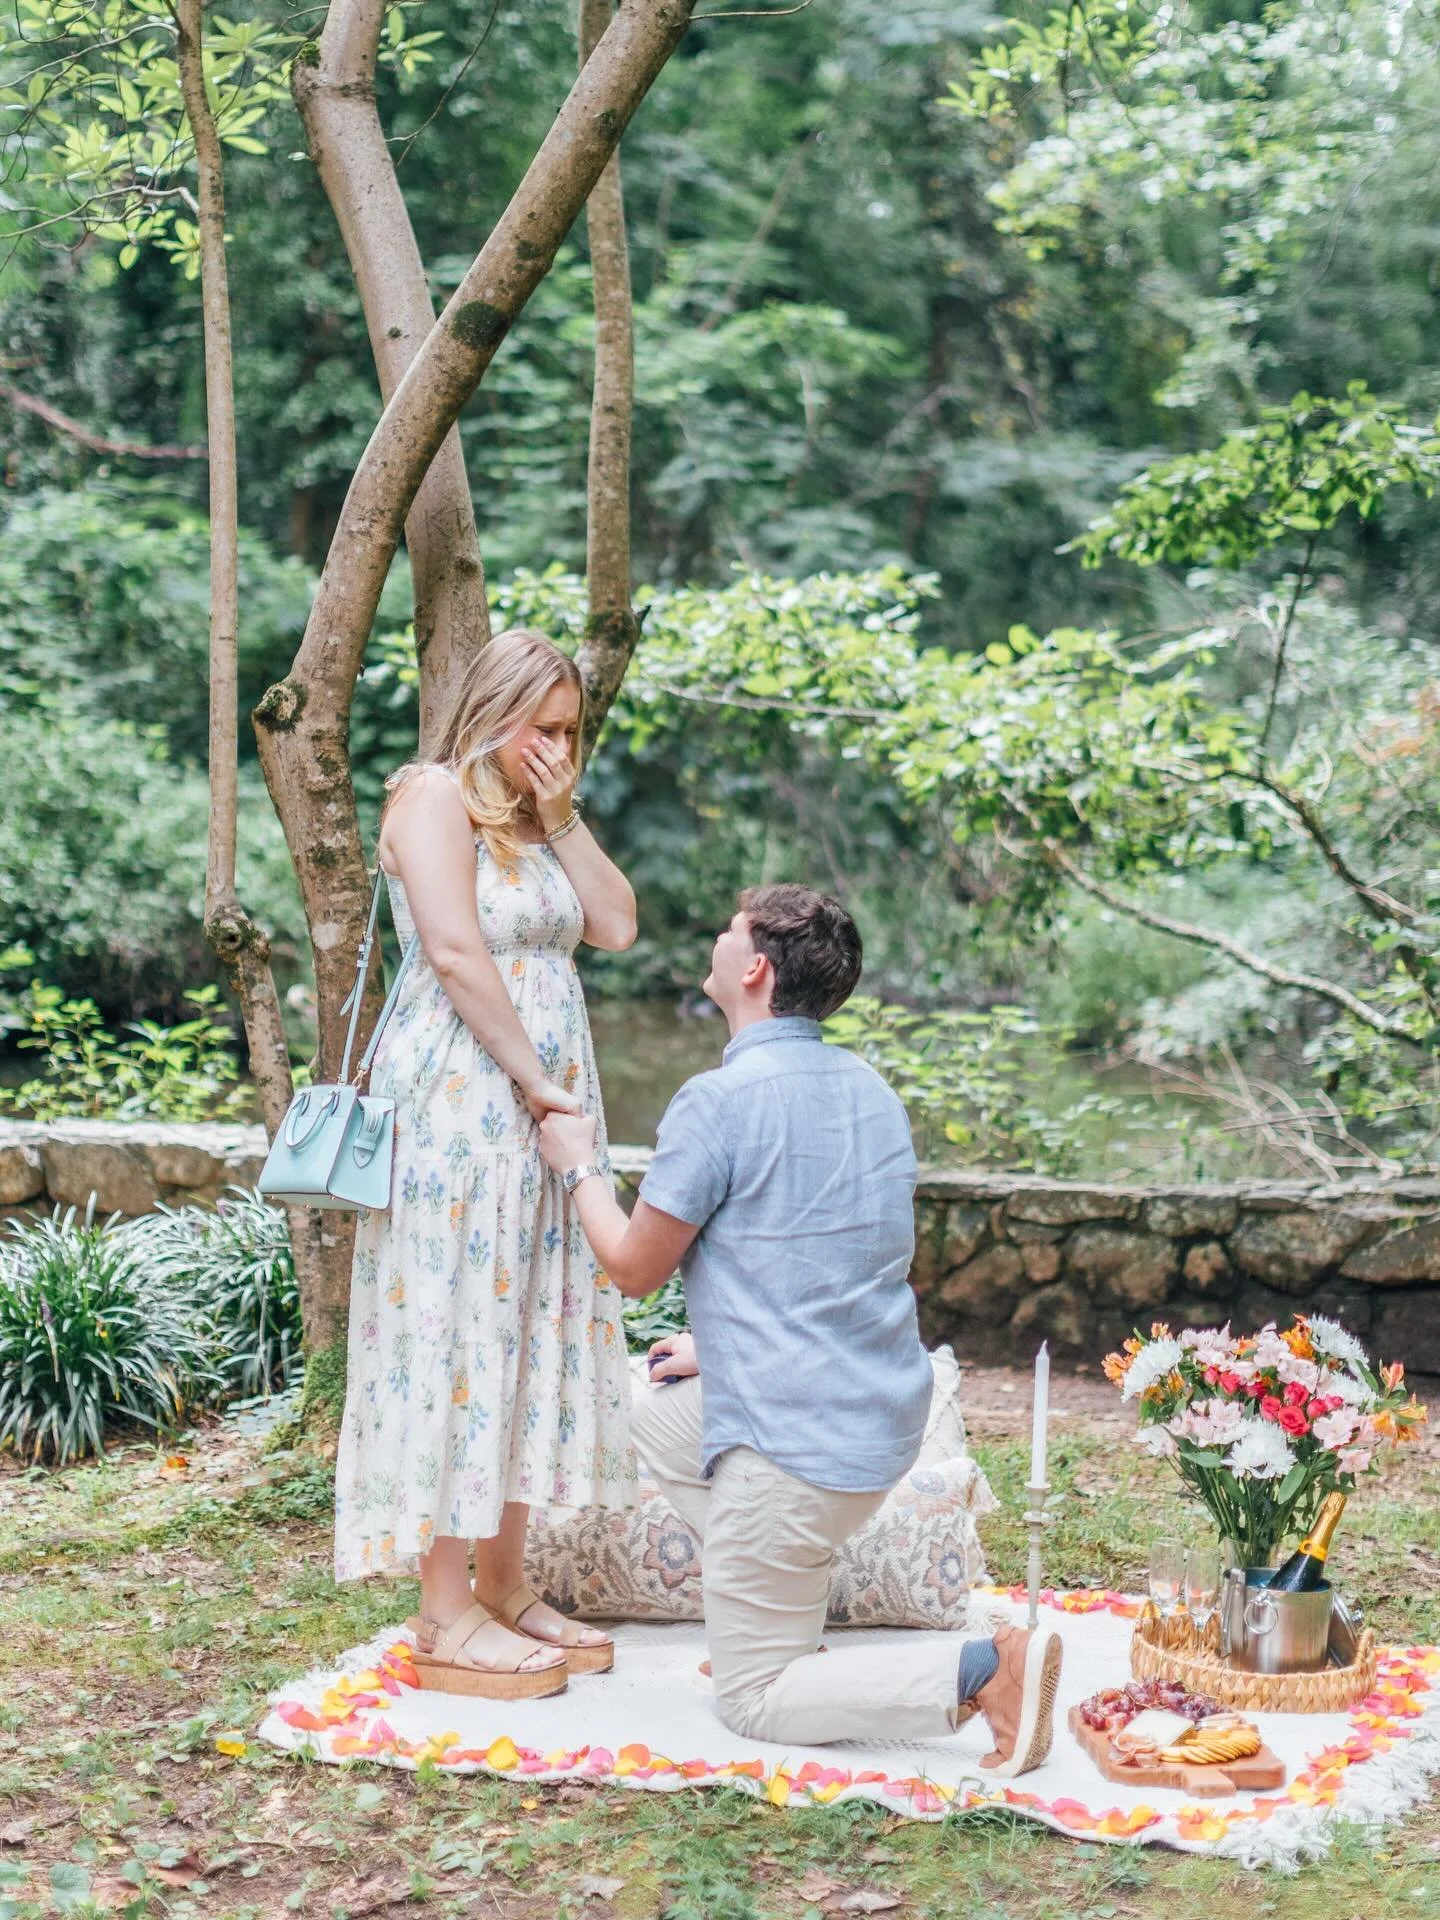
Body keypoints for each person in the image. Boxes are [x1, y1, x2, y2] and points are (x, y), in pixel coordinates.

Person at [538, 884, 1063, 1773]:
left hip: (796, 1453)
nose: (715, 934)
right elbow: (836, 1259)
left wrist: (579, 1163)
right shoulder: (870, 1091)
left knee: (752, 1702)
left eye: (730, 929)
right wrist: (723, 1345)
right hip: (878, 1426)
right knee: (659, 1415)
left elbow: (631, 1269)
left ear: (755, 967)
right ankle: (779, 1597)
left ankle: (984, 1670)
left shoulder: (718, 1100)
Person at [333, 628, 638, 1699]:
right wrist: (538, 1083)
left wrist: (561, 812)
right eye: (542, 730)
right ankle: (445, 1609)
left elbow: (615, 924)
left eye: (571, 732)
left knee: (524, 1326)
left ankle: (506, 1584)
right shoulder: (430, 797)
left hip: (539, 1113)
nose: (558, 746)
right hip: (464, 1102)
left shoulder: (534, 820)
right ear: (495, 710)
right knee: (460, 1327)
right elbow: (457, 953)